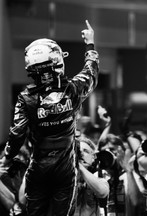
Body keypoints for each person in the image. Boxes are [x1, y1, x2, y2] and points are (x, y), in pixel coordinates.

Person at [0, 19, 99, 216]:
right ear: (56, 62)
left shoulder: (26, 98)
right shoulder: (74, 89)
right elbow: (92, 70)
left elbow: (17, 134)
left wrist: (6, 159)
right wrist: (90, 43)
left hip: (38, 168)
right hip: (65, 169)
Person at [74, 136, 109, 216]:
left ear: (93, 157)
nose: (81, 153)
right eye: (78, 151)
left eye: (85, 151)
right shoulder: (63, 174)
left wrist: (79, 165)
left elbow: (102, 192)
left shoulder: (99, 174)